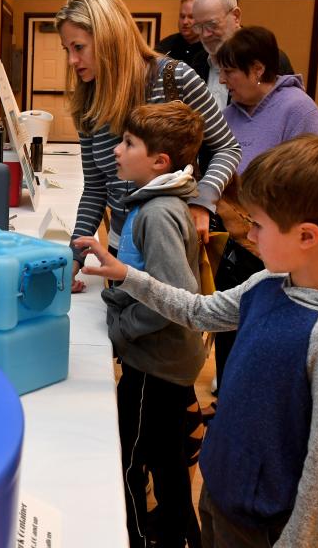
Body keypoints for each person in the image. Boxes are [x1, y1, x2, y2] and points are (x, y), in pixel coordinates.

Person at [76, 135, 318, 548]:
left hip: (261, 522)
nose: (248, 235)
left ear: (307, 236)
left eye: (258, 224)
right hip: (221, 489)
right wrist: (129, 275)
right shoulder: (267, 283)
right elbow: (198, 311)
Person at [55, 0, 241, 292]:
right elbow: (95, 188)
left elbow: (226, 147)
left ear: (108, 39)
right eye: (67, 50)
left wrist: (203, 201)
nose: (72, 61)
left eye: (79, 47)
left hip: (169, 249)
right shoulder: (86, 102)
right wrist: (74, 257)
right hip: (119, 248)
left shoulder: (175, 78)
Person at [95, 101, 206, 548]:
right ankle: (183, 536)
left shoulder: (158, 213)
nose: (118, 151)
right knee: (167, 460)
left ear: (159, 161)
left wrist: (119, 332)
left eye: (128, 143)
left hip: (154, 365)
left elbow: (171, 299)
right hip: (166, 362)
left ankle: (137, 537)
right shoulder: (158, 204)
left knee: (130, 460)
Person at [217, 26, 318, 173]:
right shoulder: (228, 116)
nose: (221, 80)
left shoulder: (300, 111)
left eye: (228, 71)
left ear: (257, 70)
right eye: (220, 72)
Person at [191, 0, 294, 112]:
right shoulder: (197, 62)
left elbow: (285, 112)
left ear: (236, 16)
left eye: (212, 24)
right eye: (199, 27)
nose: (205, 34)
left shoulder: (268, 58)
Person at [156, 0, 207, 67]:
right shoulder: (166, 46)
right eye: (182, 17)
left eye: (191, 17)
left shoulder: (210, 49)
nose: (185, 22)